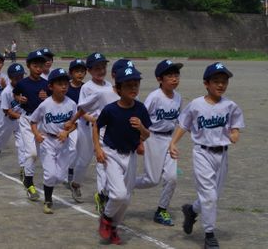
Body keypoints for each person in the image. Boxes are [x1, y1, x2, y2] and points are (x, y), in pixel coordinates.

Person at [169, 62, 244, 249]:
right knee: (209, 196)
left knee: (212, 196)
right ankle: (209, 235)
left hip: (222, 155)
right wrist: (173, 143)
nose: (220, 85)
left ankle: (191, 210)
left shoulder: (230, 105)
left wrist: (235, 133)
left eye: (224, 81)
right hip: (202, 153)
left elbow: (235, 126)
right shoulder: (196, 104)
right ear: (206, 83)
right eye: (216, 81)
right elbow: (184, 125)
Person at [94, 65, 151, 244]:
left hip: (131, 155)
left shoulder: (140, 109)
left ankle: (113, 228)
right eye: (128, 86)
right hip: (111, 154)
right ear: (118, 89)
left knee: (126, 199)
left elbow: (147, 134)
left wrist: (141, 128)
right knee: (118, 194)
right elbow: (96, 126)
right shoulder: (111, 110)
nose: (133, 89)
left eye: (135, 85)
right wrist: (98, 149)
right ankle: (106, 217)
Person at [133, 59, 183, 226]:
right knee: (152, 180)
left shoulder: (178, 97)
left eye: (176, 75)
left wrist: (174, 142)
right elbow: (141, 118)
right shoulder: (154, 97)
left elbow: (177, 122)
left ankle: (162, 210)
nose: (174, 78)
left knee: (172, 177)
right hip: (152, 138)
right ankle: (124, 183)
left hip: (169, 139)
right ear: (159, 79)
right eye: (170, 75)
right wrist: (139, 141)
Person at [65, 52, 112, 204]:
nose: (101, 71)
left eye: (103, 67)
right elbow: (81, 110)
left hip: (104, 130)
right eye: (97, 68)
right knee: (84, 160)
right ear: (89, 71)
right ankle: (76, 184)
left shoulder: (109, 86)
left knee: (102, 161)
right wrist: (91, 118)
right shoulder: (87, 87)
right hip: (87, 128)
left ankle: (101, 195)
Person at [30, 68, 77, 214]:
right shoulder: (45, 105)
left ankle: (49, 187)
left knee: (60, 177)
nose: (64, 86)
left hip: (63, 142)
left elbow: (75, 123)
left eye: (66, 84)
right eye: (60, 83)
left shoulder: (71, 104)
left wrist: (67, 131)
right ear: (51, 86)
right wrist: (37, 134)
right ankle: (48, 200)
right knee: (50, 174)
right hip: (47, 141)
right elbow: (33, 121)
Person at [13, 50, 48, 201]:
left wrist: (47, 97)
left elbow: (54, 99)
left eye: (41, 65)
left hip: (41, 122)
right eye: (35, 65)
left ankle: (29, 175)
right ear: (28, 66)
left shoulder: (46, 84)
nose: (38, 68)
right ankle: (29, 181)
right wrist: (19, 98)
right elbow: (15, 93)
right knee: (32, 153)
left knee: (39, 154)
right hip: (27, 120)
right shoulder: (22, 83)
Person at [0, 63, 25, 179]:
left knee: (22, 145)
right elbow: (6, 110)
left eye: (21, 77)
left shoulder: (25, 88)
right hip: (8, 121)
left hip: (21, 122)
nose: (19, 80)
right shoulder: (6, 92)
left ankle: (23, 169)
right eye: (16, 78)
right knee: (1, 141)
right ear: (10, 78)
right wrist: (19, 116)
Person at [65, 59, 87, 186]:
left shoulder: (86, 88)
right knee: (72, 148)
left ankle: (70, 170)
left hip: (83, 122)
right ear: (71, 73)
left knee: (80, 150)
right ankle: (69, 171)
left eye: (82, 71)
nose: (80, 74)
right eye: (77, 71)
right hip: (69, 122)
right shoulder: (65, 86)